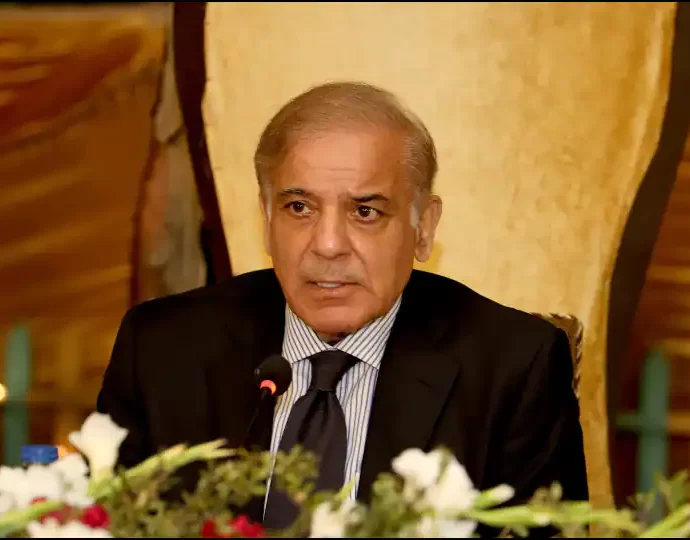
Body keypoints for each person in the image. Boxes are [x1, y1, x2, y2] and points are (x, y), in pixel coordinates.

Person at [97, 81, 589, 529]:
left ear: (423, 227)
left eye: (365, 211)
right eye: (299, 208)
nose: (328, 245)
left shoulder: (512, 369)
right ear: (266, 218)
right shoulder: (162, 351)